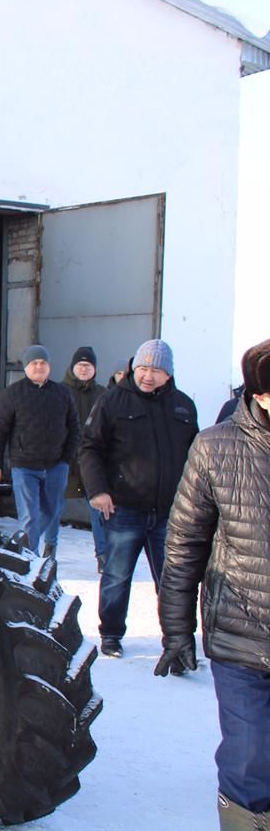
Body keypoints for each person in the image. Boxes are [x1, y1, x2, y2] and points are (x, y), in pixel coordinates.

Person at [156, 338, 270, 829]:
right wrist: (177, 631)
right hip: (241, 633)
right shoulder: (215, 446)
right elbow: (184, 547)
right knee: (248, 758)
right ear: (260, 394)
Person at [79, 338, 198, 658]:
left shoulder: (183, 406)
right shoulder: (113, 401)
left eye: (156, 370)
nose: (148, 375)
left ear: (168, 374)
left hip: (170, 513)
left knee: (173, 580)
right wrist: (98, 490)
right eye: (143, 368)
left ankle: (177, 639)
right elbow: (90, 448)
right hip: (124, 508)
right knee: (117, 576)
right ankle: (111, 634)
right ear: (134, 368)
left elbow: (195, 459)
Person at [0, 345, 80, 556]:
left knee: (52, 510)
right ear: (26, 367)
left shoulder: (62, 393)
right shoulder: (11, 394)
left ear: (49, 366)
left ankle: (21, 548)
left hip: (56, 465)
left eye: (43, 363)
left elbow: (74, 428)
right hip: (24, 466)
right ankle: (29, 559)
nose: (39, 367)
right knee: (30, 516)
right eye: (34, 363)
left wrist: (66, 458)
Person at [56, 347, 108, 568]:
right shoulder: (59, 391)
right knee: (52, 508)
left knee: (99, 509)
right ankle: (44, 555)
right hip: (63, 458)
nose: (84, 369)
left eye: (89, 365)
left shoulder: (103, 394)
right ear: (72, 367)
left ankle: (103, 556)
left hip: (93, 460)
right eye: (81, 365)